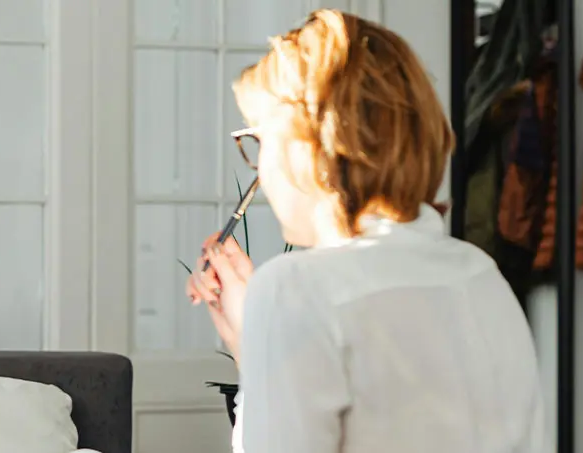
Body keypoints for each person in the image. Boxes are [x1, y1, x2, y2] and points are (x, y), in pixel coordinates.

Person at [186, 10, 547, 453]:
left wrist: (261, 347)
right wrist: (254, 346)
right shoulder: (480, 274)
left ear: (311, 148)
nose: (261, 167)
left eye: (261, 141)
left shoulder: (295, 289)